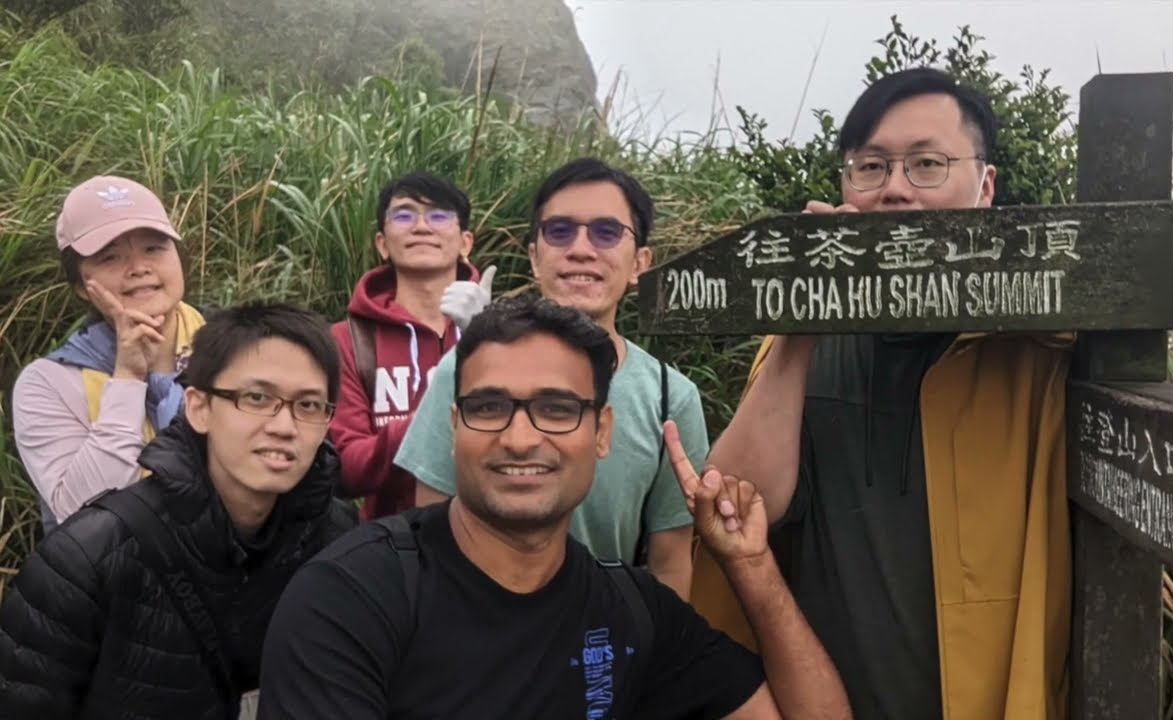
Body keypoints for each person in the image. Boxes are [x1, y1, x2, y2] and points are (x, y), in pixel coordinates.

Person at [257, 296, 851, 719]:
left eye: (558, 409)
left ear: (602, 432)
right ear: (453, 426)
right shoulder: (353, 599)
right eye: (489, 407)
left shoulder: (630, 612)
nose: (520, 438)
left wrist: (750, 564)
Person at [694, 67, 1073, 720]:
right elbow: (733, 508)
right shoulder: (799, 347)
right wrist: (803, 324)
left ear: (985, 188)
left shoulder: (1041, 347)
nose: (895, 190)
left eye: (927, 164)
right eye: (870, 167)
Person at [0, 303, 357, 719]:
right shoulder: (87, 559)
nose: (284, 425)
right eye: (257, 398)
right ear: (198, 407)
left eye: (309, 406)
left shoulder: (338, 539)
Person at [396, 158, 705, 598]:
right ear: (534, 257)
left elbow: (670, 562)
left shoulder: (671, 398)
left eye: (606, 232)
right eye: (559, 231)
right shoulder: (463, 370)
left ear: (640, 263)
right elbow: (428, 529)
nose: (581, 248)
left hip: (609, 643)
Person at [12, 175, 208, 529]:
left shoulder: (235, 346)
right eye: (110, 257)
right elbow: (82, 518)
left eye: (154, 248)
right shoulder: (48, 384)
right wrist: (128, 379)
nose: (138, 268)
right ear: (81, 286)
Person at [328, 171, 495, 520]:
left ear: (465, 242)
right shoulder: (348, 340)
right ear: (382, 243)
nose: (421, 226)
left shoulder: (505, 330)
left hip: (496, 534)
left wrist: (488, 341)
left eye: (439, 215)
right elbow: (345, 467)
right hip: (392, 548)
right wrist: (432, 421)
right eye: (403, 215)